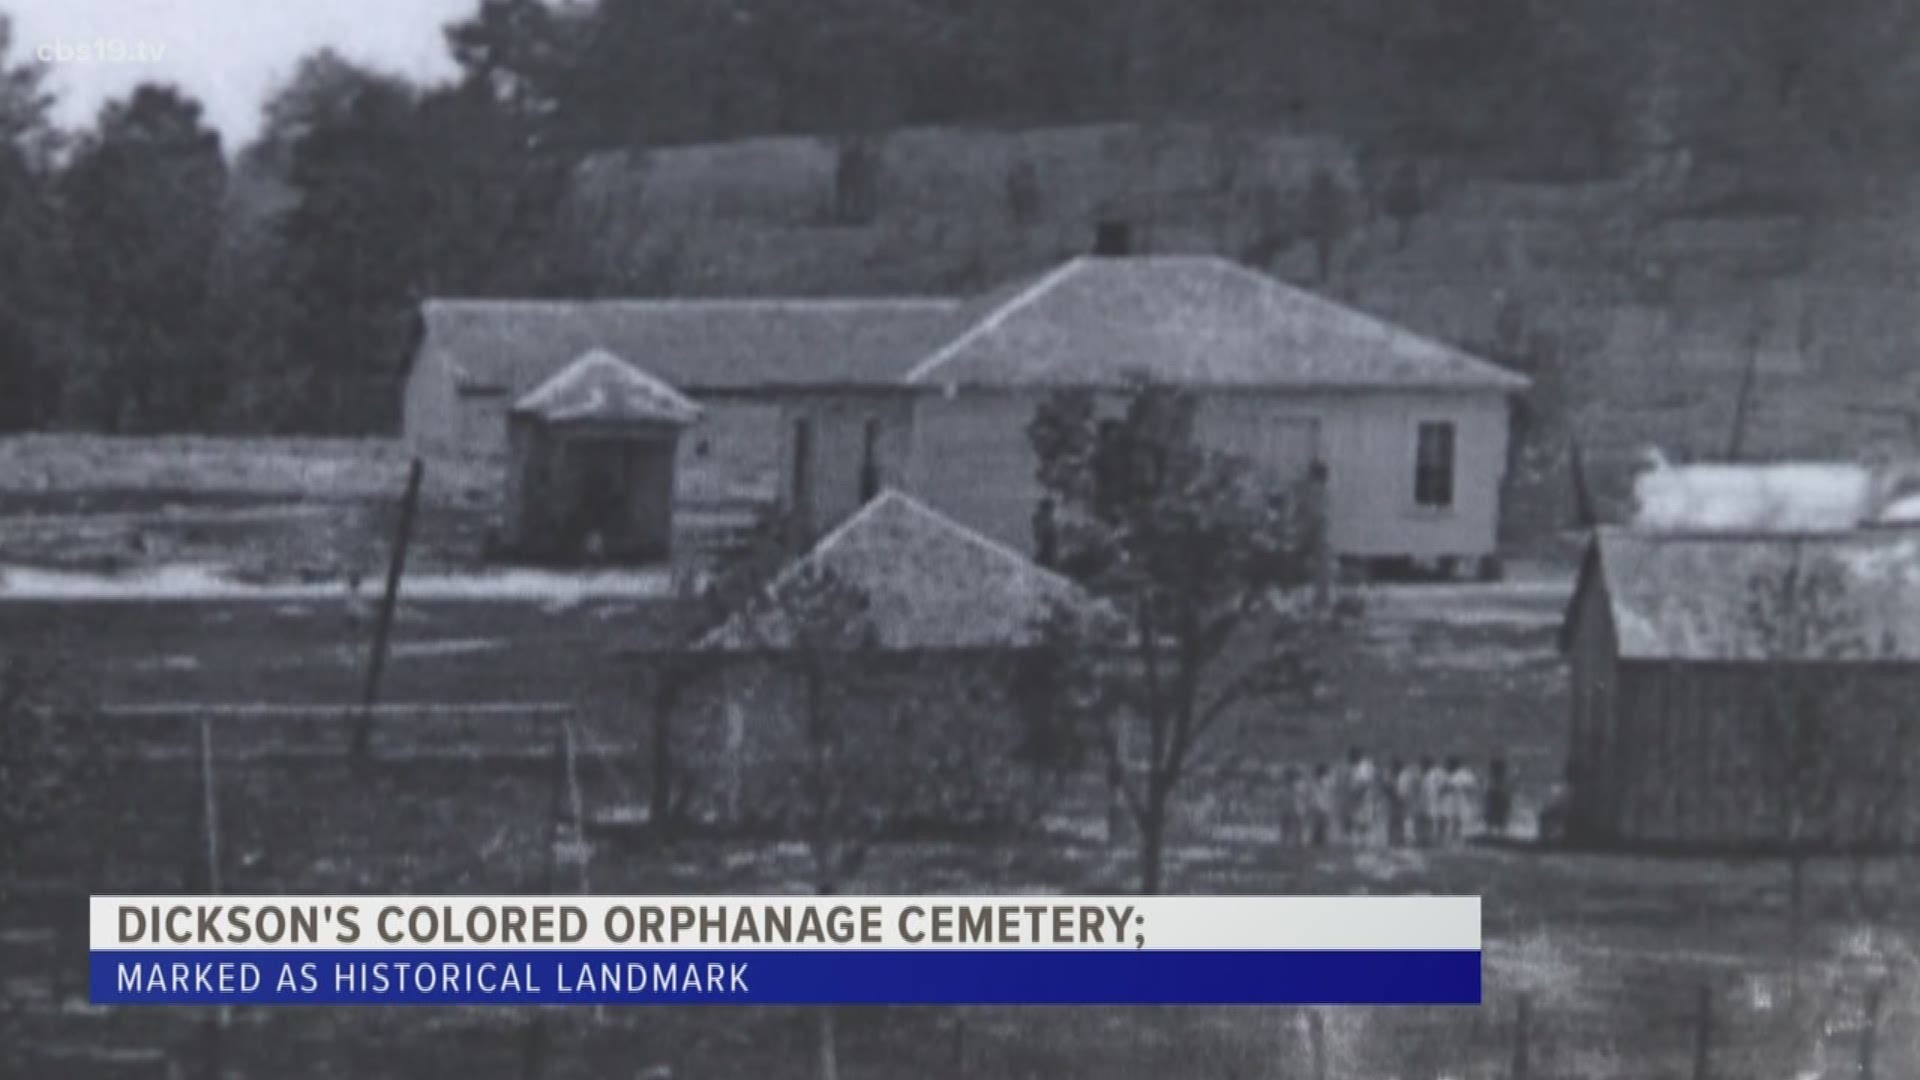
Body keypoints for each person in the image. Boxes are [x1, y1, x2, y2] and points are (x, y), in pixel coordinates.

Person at [1443, 757, 1479, 843]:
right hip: (1455, 807)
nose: (1447, 767)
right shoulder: (1452, 776)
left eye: (1448, 765)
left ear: (1453, 765)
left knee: (1465, 829)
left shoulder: (1465, 775)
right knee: (1454, 828)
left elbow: (1472, 788)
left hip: (1465, 806)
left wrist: (1457, 788)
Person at [1346, 748, 1377, 844]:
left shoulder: (1365, 766)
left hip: (1366, 798)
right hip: (1361, 799)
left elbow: (1365, 783)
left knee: (1365, 824)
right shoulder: (1359, 767)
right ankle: (1362, 843)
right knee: (1359, 824)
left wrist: (1354, 792)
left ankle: (1366, 844)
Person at [1388, 758, 1417, 845]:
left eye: (1393, 767)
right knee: (1403, 821)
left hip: (1405, 800)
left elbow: (1403, 791)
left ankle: (1409, 839)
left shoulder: (1404, 776)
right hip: (1403, 800)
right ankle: (1401, 839)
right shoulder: (1402, 775)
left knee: (1407, 820)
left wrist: (1399, 799)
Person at [1419, 757, 1447, 845]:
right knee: (1434, 820)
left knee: (1439, 820)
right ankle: (1436, 840)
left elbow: (1445, 785)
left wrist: (1439, 793)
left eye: (1423, 765)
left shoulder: (1438, 772)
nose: (1422, 767)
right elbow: (1425, 789)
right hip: (1432, 800)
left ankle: (1440, 840)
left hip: (1440, 800)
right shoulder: (1428, 775)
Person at [1484, 756, 1513, 839]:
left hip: (1498, 800)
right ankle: (1496, 834)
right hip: (1497, 800)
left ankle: (1496, 834)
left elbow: (1507, 795)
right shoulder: (1494, 781)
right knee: (1495, 818)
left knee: (1497, 818)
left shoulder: (1499, 781)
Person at [1311, 763, 1339, 847]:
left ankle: (1320, 843)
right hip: (1323, 808)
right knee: (1323, 829)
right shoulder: (1326, 781)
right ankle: (1321, 843)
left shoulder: (1318, 782)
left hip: (1320, 808)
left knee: (1321, 829)